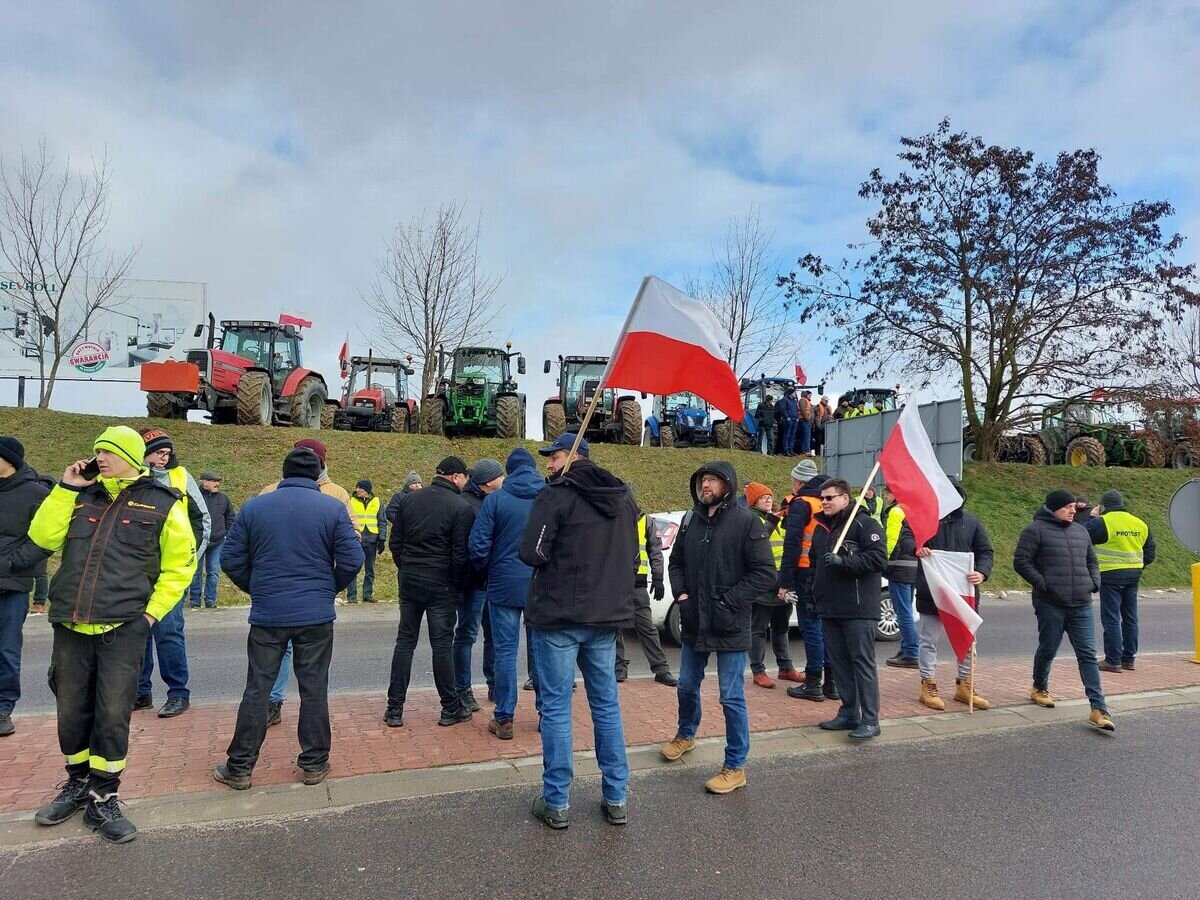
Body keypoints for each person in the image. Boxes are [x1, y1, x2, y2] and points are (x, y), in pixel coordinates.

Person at [29, 426, 195, 843]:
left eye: (109, 451)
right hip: (70, 623)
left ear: (131, 456)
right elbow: (42, 538)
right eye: (97, 450)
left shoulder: (163, 502)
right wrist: (66, 488)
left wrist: (150, 617)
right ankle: (78, 782)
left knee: (112, 713)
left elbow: (180, 567)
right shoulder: (78, 495)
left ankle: (104, 796)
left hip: (123, 626)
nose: (99, 457)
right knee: (71, 711)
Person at [213, 448, 363, 791]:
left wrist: (256, 587)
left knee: (257, 688)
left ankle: (240, 766)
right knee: (314, 690)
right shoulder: (333, 508)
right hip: (316, 614)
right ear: (318, 475)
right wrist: (329, 588)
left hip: (268, 614)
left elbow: (231, 558)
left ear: (284, 473)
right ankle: (314, 764)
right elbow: (353, 559)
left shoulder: (255, 506)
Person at [519, 433, 637, 828]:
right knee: (606, 705)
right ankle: (616, 796)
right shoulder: (622, 497)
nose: (548, 465)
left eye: (553, 457)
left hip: (559, 618)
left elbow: (531, 552)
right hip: (605, 617)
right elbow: (632, 556)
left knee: (555, 708)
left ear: (572, 457)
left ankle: (556, 802)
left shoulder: (556, 495)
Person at [660, 461, 775, 795]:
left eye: (712, 480)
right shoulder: (691, 521)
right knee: (685, 686)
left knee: (731, 697)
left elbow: (764, 573)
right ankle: (685, 734)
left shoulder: (746, 522)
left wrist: (728, 603)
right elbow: (676, 562)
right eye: (702, 480)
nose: (705, 485)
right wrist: (682, 595)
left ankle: (735, 766)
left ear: (727, 484)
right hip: (695, 620)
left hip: (731, 624)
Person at [262, 438, 352, 727]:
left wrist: (329, 583)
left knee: (306, 667)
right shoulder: (268, 492)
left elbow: (352, 541)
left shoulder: (337, 495)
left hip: (304, 593)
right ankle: (274, 704)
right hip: (296, 595)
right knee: (301, 665)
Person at [385, 456, 476, 728]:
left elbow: (395, 543)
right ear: (456, 477)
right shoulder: (461, 507)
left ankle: (394, 709)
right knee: (442, 646)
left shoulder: (408, 500)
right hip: (442, 583)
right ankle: (450, 708)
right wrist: (455, 583)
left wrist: (407, 567)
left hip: (410, 578)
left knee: (405, 642)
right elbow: (461, 555)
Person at [1013, 489, 1114, 731]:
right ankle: (1039, 687)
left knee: (1087, 654)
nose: (1072, 511)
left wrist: (1093, 582)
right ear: (1053, 507)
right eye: (1067, 507)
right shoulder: (1034, 530)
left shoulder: (1081, 531)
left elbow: (1092, 561)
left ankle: (1098, 709)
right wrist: (1043, 583)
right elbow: (1021, 561)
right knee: (1048, 648)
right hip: (1050, 603)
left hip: (1081, 603)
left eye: (1073, 507)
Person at [135, 427, 210, 719]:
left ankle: (178, 693)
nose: (164, 458)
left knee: (168, 634)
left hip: (170, 573)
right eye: (158, 453)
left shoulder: (181, 477)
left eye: (167, 453)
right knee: (137, 634)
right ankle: (140, 692)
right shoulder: (130, 479)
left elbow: (202, 520)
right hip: (136, 573)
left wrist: (188, 564)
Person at [469, 449, 543, 740]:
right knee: (540, 652)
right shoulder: (547, 497)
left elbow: (478, 546)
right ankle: (545, 715)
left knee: (505, 653)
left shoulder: (496, 500)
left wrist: (489, 571)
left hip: (502, 585)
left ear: (509, 472)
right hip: (540, 586)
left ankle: (504, 718)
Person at [902, 477, 993, 711]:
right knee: (929, 640)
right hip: (932, 590)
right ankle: (928, 684)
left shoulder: (971, 522)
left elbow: (985, 551)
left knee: (967, 640)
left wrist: (982, 572)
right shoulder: (923, 518)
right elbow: (906, 537)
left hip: (963, 591)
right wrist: (916, 547)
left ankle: (965, 685)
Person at [810, 478, 887, 741]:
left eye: (830, 497)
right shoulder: (822, 527)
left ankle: (870, 719)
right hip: (829, 607)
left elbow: (878, 559)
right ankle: (848, 712)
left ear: (845, 498)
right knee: (840, 663)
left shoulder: (866, 524)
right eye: (822, 498)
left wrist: (846, 561)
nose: (824, 502)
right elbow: (814, 564)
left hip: (857, 607)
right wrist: (814, 594)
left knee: (862, 663)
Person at [0, 437, 51, 737]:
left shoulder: (35, 493)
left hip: (12, 586)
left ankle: (4, 707)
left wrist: (11, 564)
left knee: (6, 649)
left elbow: (44, 541)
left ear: (9, 461)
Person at [780, 458, 838, 702]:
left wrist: (784, 581)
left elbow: (792, 543)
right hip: (829, 571)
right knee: (827, 628)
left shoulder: (801, 503)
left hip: (805, 572)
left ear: (799, 481)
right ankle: (831, 683)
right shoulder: (829, 500)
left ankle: (813, 682)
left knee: (811, 626)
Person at [1086, 489, 1156, 673]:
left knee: (1111, 618)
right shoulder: (1140, 523)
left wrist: (1092, 517)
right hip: (1133, 575)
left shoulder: (1103, 521)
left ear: (1103, 506)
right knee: (1130, 618)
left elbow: (1080, 537)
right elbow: (1150, 553)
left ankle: (1113, 660)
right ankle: (1128, 659)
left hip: (1110, 575)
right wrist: (1137, 566)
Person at [454, 459, 503, 712]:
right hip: (473, 582)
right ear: (487, 481)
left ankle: (494, 684)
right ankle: (462, 689)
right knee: (466, 634)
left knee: (493, 635)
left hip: (491, 580)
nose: (504, 477)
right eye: (500, 475)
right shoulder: (465, 503)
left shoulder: (494, 500)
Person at [744, 482, 803, 689]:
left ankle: (785, 667)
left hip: (782, 581)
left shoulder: (778, 518)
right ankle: (758, 671)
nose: (768, 499)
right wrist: (773, 519)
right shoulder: (751, 519)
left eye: (769, 496)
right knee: (758, 629)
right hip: (763, 582)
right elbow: (757, 542)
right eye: (762, 497)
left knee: (781, 628)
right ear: (753, 501)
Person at [615, 511, 678, 686]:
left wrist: (658, 578)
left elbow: (655, 551)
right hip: (615, 582)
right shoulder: (612, 515)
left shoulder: (645, 520)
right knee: (615, 628)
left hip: (637, 583)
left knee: (646, 628)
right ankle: (619, 667)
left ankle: (661, 669)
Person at [881, 485, 919, 669]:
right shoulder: (913, 510)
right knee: (907, 611)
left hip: (899, 568)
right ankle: (905, 649)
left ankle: (911, 652)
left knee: (902, 612)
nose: (885, 497)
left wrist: (882, 562)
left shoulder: (896, 511)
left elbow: (891, 540)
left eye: (886, 494)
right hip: (913, 567)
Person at [190, 472, 235, 609]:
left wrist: (227, 535)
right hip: (198, 540)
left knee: (214, 572)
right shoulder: (194, 498)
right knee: (195, 572)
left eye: (218, 481)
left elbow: (230, 518)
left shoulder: (223, 499)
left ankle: (210, 600)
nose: (217, 484)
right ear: (205, 482)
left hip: (218, 541)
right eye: (214, 481)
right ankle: (194, 600)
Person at [347, 479, 386, 603]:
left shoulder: (377, 501)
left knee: (370, 569)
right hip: (355, 539)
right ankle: (351, 596)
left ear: (367, 491)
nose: (357, 490)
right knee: (353, 568)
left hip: (372, 540)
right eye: (357, 487)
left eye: (360, 488)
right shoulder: (350, 501)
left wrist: (382, 539)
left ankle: (367, 594)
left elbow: (382, 521)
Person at [777, 388, 800, 457]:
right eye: (794, 393)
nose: (795, 394)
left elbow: (797, 410)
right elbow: (783, 410)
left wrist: (797, 417)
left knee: (792, 436)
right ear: (790, 393)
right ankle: (785, 450)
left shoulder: (794, 401)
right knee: (786, 435)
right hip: (788, 420)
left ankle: (790, 449)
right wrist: (787, 418)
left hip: (794, 419)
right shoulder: (784, 400)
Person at [798, 390, 814, 456]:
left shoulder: (805, 400)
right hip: (804, 420)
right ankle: (805, 450)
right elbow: (803, 410)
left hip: (806, 420)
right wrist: (807, 418)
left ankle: (806, 449)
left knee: (807, 436)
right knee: (806, 436)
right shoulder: (802, 400)